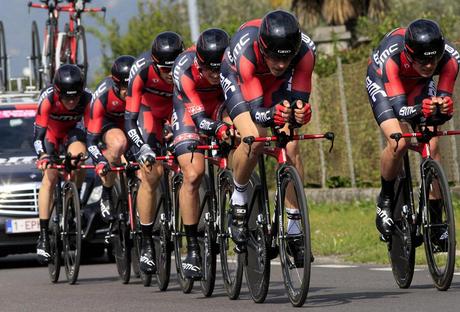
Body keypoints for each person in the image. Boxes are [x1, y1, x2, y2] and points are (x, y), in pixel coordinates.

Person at [220, 10, 315, 265]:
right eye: (274, 57)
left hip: (276, 86)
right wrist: (272, 114)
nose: (281, 64)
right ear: (263, 48)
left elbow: (299, 99)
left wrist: (299, 113)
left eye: (287, 58)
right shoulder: (246, 51)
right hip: (241, 81)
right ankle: (238, 198)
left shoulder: (305, 52)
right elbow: (257, 112)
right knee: (254, 137)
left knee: (291, 144)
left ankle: (295, 227)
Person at [365, 19, 459, 240]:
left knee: (432, 144)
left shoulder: (451, 60)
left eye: (433, 60)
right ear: (409, 54)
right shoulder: (392, 58)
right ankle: (385, 200)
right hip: (384, 81)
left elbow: (442, 105)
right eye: (421, 60)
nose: (429, 66)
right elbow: (400, 111)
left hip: (418, 85)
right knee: (399, 141)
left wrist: (443, 107)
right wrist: (421, 108)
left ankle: (436, 220)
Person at [171, 28, 230, 279]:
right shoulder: (183, 68)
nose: (217, 76)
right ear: (199, 64)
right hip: (190, 112)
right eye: (211, 71)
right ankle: (193, 246)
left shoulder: (232, 63)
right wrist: (217, 129)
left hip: (220, 105)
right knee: (194, 174)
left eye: (221, 70)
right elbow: (198, 118)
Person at [125, 31, 184, 274]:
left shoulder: (189, 66)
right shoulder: (141, 70)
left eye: (174, 68)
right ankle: (147, 240)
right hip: (148, 114)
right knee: (150, 172)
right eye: (164, 69)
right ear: (154, 63)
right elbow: (129, 121)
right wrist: (142, 147)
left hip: (174, 110)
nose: (171, 74)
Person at [34, 64, 92, 264]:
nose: (71, 101)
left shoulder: (86, 99)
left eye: (75, 97)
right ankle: (42, 236)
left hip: (72, 133)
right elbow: (38, 136)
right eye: (67, 97)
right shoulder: (48, 99)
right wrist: (42, 155)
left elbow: (91, 133)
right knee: (49, 176)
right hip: (49, 134)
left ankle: (72, 204)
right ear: (58, 92)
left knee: (80, 157)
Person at [86, 55, 135, 223]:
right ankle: (106, 193)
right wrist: (100, 160)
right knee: (118, 143)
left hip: (133, 120)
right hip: (109, 122)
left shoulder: (142, 89)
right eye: (124, 87)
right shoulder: (103, 94)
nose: (129, 92)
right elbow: (91, 140)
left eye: (132, 86)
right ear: (116, 84)